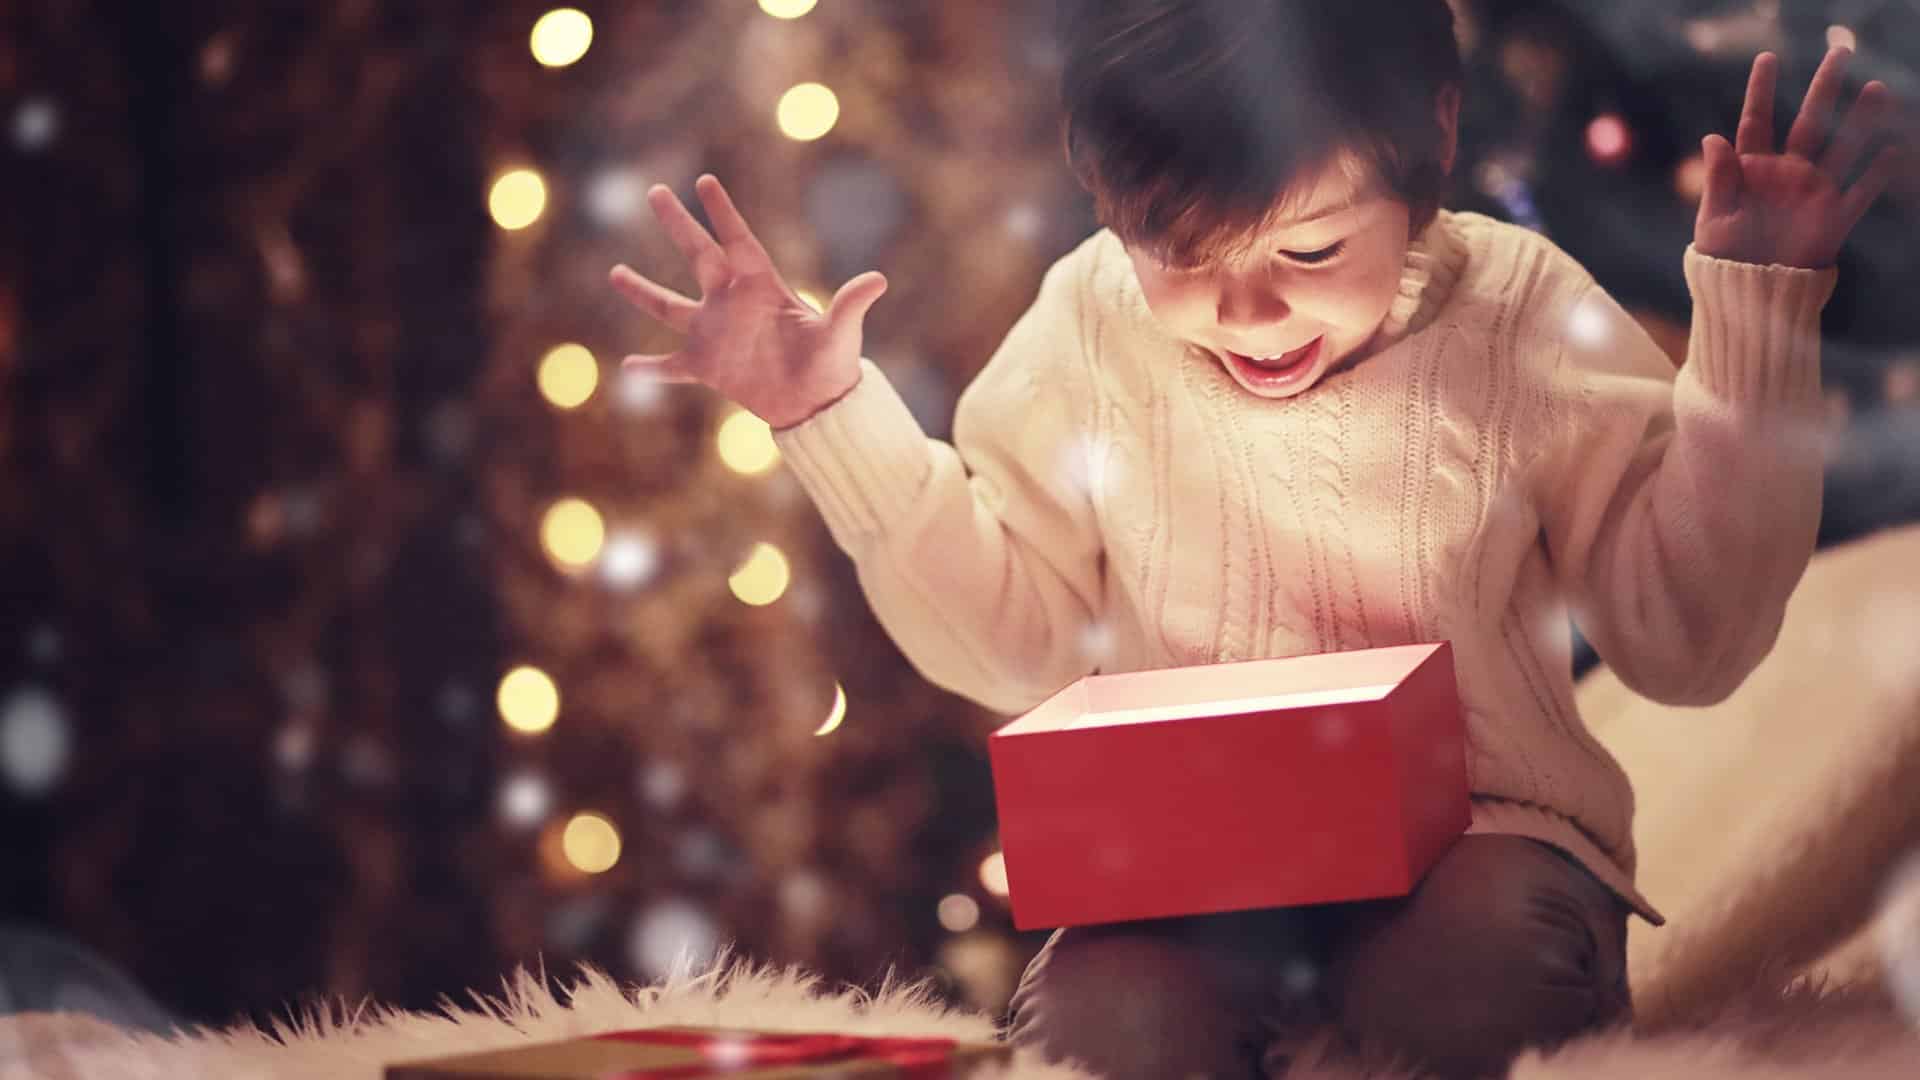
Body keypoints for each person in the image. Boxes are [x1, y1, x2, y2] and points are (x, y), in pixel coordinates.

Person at [609, 1, 1899, 1075]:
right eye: (1183, 257)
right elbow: (1014, 640)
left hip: (1488, 843)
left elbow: (1687, 642)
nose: (1249, 310)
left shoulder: (1516, 315)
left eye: (1312, 244)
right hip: (1191, 875)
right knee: (1096, 1024)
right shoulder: (1089, 325)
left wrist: (1753, 321)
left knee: (1469, 980)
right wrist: (831, 414)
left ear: (1432, 140)